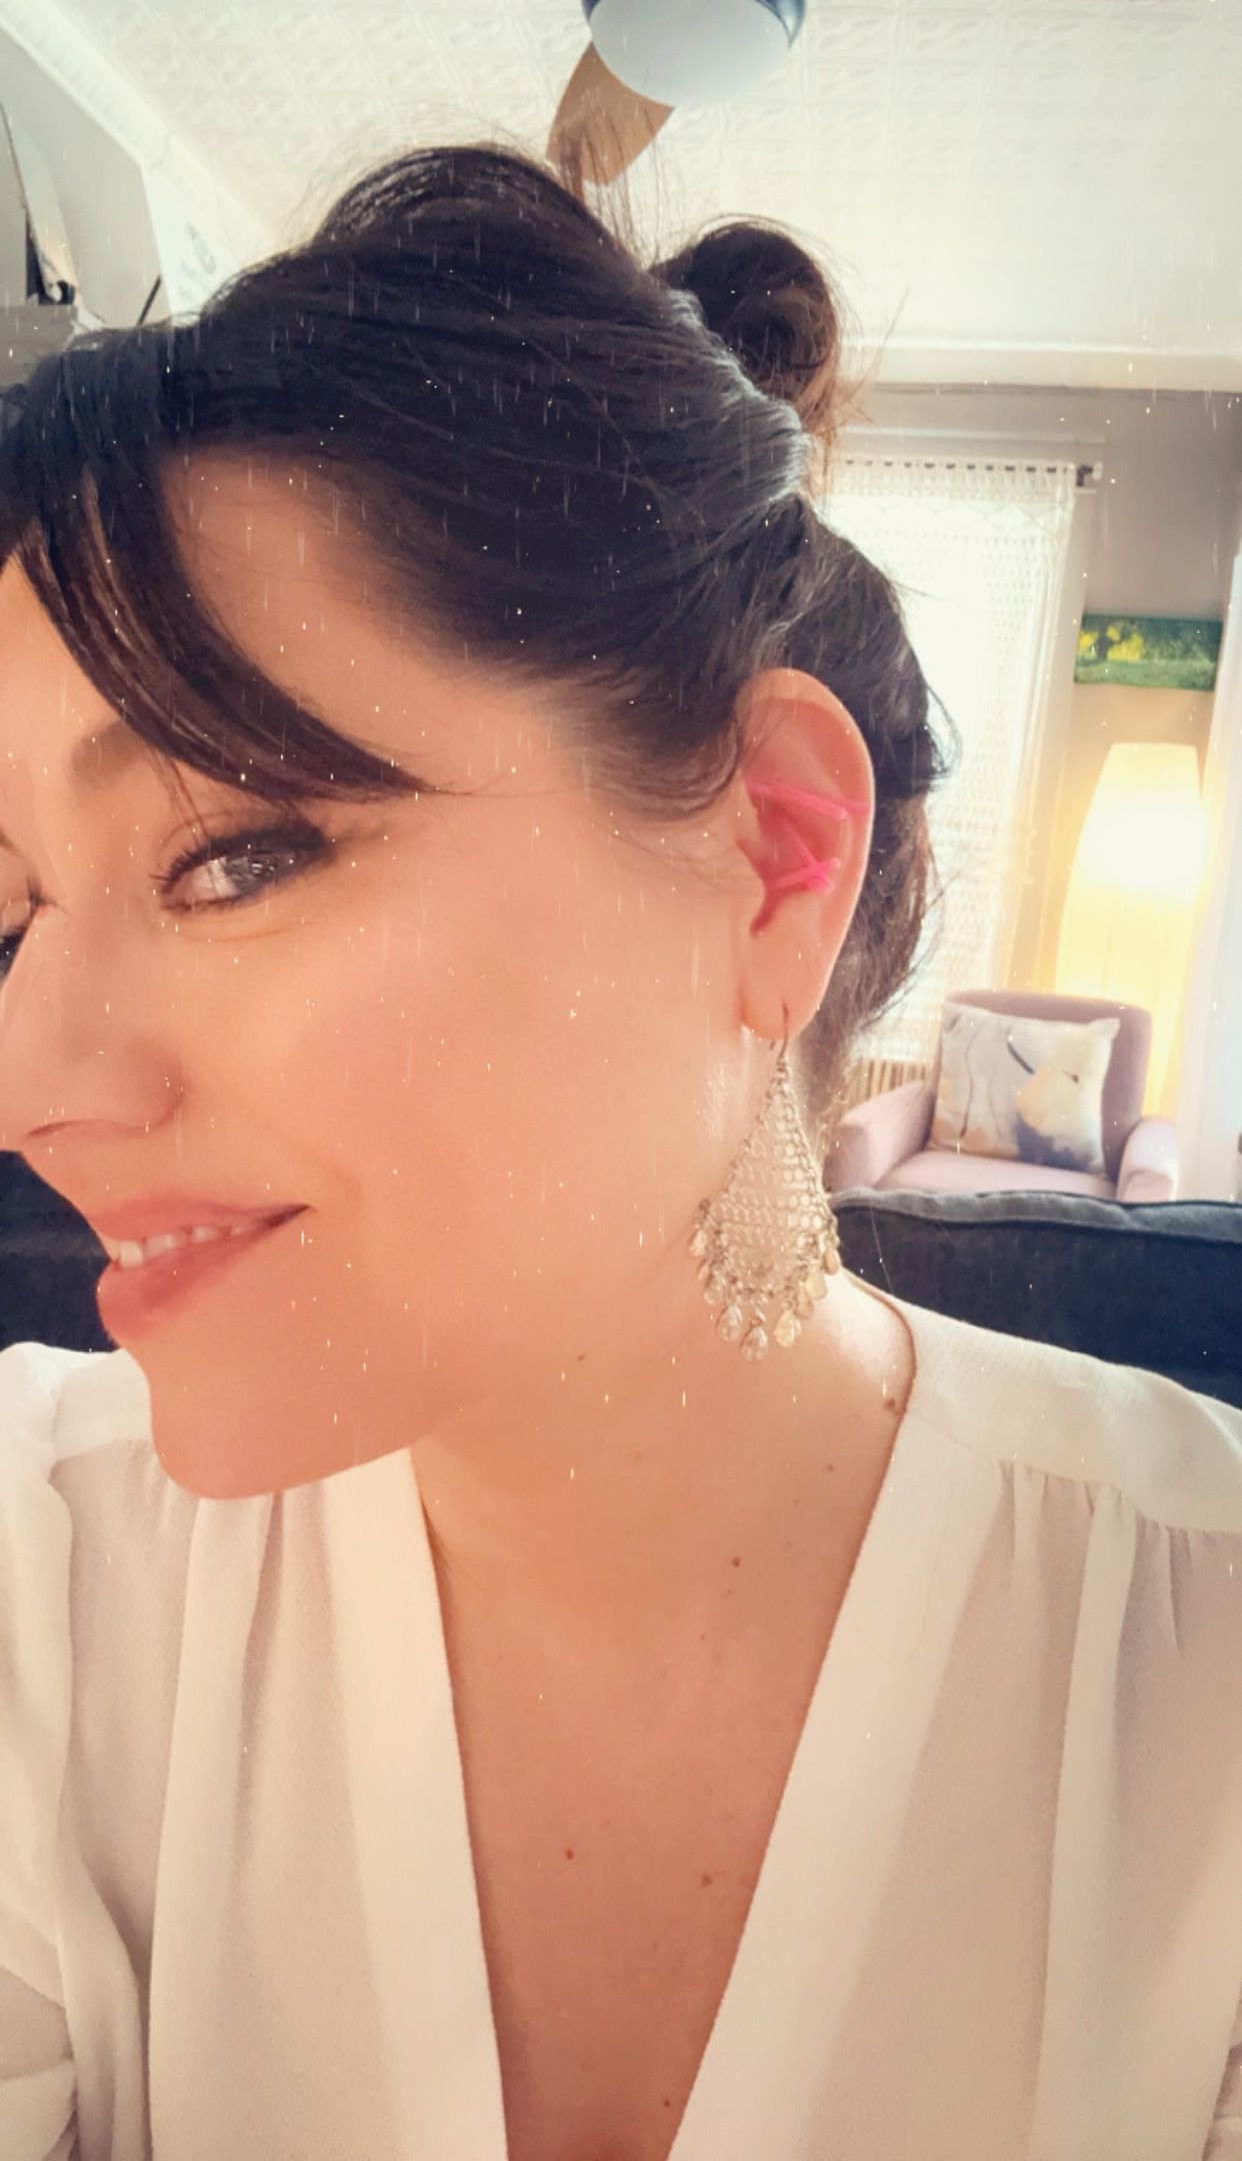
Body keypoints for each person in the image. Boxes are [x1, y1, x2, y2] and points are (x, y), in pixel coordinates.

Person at [0, 142, 1238, 2161]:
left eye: (230, 854)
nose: (30, 1079)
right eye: (15, 904)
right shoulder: (38, 1580)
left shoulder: (1194, 1677)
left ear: (773, 858)